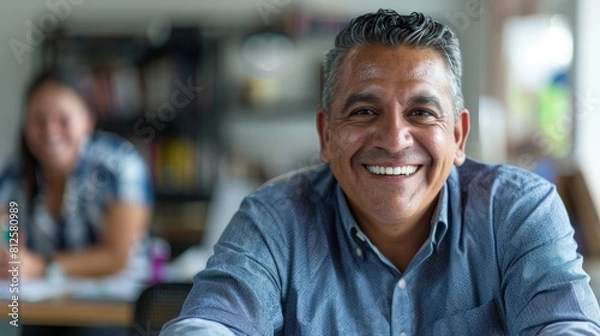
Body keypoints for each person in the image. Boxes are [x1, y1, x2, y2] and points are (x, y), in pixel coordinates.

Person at [161, 9, 600, 335]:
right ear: (327, 135)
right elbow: (209, 325)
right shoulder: (274, 218)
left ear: (459, 137)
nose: (393, 139)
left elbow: (567, 327)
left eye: (421, 112)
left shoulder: (518, 210)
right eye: (364, 110)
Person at [0, 68, 153, 336]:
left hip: (112, 311)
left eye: (63, 119)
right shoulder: (15, 175)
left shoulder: (120, 165)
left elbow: (117, 256)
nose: (50, 131)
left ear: (88, 121)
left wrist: (41, 266)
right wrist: (7, 252)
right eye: (38, 120)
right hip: (43, 310)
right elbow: (6, 232)